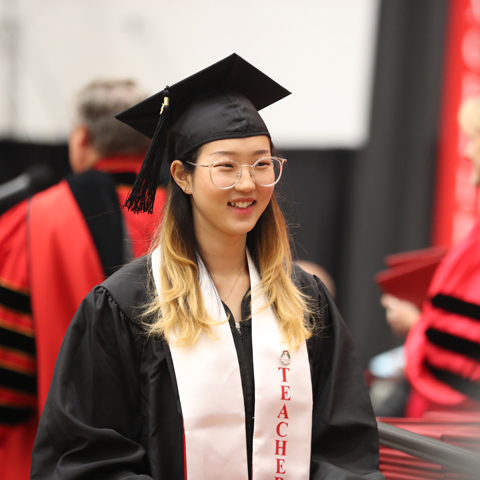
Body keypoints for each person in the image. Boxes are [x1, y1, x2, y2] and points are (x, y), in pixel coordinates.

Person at [30, 54, 384, 480]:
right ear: (181, 176)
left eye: (261, 162)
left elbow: (345, 447)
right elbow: (84, 460)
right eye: (226, 166)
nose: (248, 182)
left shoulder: (304, 299)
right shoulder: (126, 306)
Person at [0, 79, 165, 480]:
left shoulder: (28, 222)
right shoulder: (191, 222)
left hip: (53, 461)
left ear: (81, 139)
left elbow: (8, 384)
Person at [380, 97, 480, 418]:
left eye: (475, 137)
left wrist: (416, 325)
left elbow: (456, 370)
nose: (467, 152)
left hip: (459, 443)